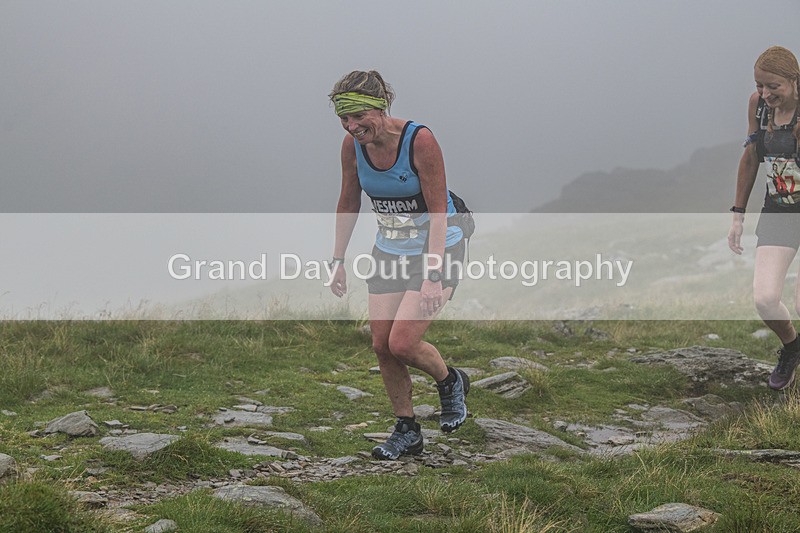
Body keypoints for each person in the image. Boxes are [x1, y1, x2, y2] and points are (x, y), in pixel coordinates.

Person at [327, 70, 469, 459]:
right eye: (344, 118)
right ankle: (407, 430)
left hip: (439, 246)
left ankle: (450, 381)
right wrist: (338, 260)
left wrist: (434, 274)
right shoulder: (352, 145)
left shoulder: (419, 140)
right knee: (381, 345)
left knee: (403, 342)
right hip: (390, 251)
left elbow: (439, 212)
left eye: (359, 116)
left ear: (381, 107)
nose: (353, 126)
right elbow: (348, 201)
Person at [728, 46, 800, 390]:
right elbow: (751, 155)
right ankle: (792, 348)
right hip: (778, 210)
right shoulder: (758, 108)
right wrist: (738, 214)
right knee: (766, 300)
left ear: (793, 81)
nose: (765, 94)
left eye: (773, 87)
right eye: (760, 86)